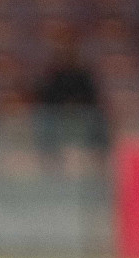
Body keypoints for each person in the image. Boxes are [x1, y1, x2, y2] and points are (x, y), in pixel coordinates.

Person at [32, 29, 109, 165]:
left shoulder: (83, 73)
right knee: (44, 118)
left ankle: (98, 154)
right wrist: (64, 105)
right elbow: (47, 96)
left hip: (82, 111)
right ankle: (50, 155)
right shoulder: (53, 73)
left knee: (99, 117)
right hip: (57, 111)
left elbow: (92, 96)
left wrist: (76, 103)